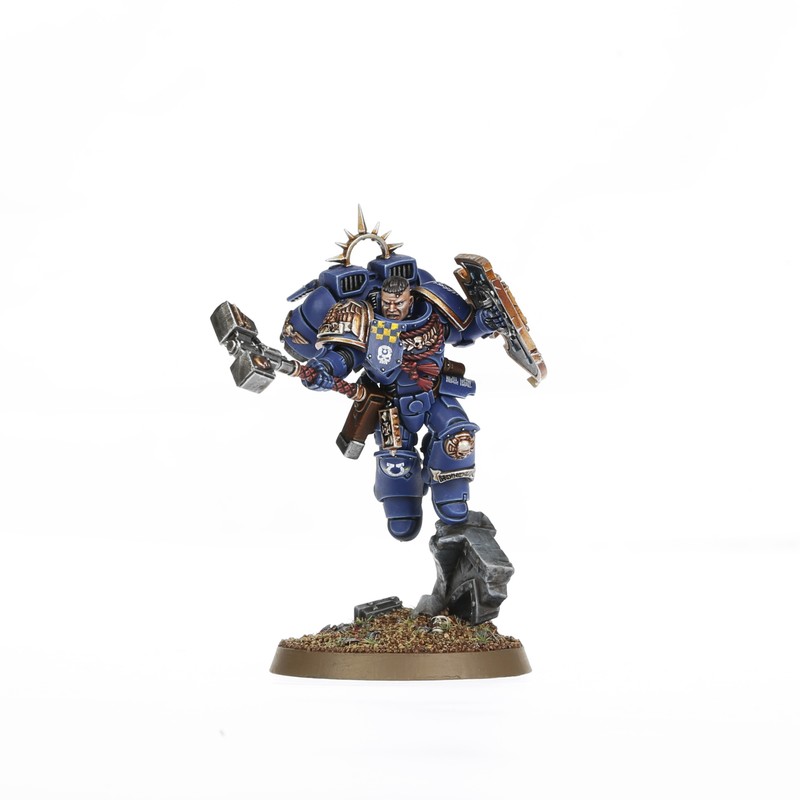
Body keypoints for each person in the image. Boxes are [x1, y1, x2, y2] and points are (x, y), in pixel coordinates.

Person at [301, 274, 501, 541]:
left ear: (411, 300)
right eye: (387, 303)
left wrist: (486, 321)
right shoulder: (368, 323)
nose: (392, 308)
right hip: (391, 401)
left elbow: (463, 333)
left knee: (458, 434)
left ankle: (451, 488)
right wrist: (324, 368)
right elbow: (346, 355)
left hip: (433, 393)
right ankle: (401, 498)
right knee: (394, 454)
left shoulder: (433, 317)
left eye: (399, 303)